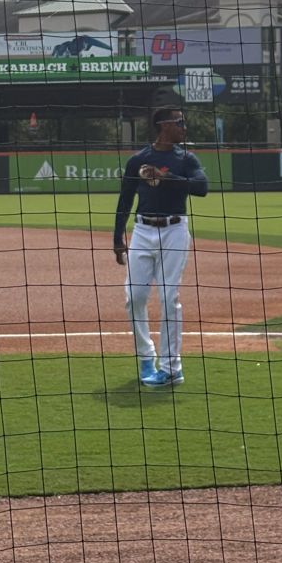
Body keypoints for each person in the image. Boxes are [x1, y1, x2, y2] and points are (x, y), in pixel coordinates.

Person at [113, 106, 209, 388]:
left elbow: (202, 187)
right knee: (135, 296)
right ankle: (146, 357)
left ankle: (170, 368)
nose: (184, 127)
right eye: (180, 122)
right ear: (164, 126)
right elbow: (125, 198)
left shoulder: (186, 158)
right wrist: (117, 236)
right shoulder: (138, 160)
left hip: (175, 231)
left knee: (169, 297)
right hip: (142, 230)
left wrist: (165, 177)